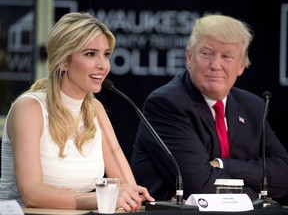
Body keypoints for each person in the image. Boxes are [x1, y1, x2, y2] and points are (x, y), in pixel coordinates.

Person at [0, 12, 154, 211]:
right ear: (64, 60)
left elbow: (128, 189)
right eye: (90, 54)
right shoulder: (29, 108)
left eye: (106, 54)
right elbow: (32, 194)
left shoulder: (95, 109)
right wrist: (100, 198)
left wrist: (127, 196)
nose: (103, 65)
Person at [130, 14, 288, 202]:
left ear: (241, 66)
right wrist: (260, 196)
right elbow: (201, 186)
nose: (215, 65)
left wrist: (222, 165)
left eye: (227, 56)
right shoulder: (166, 103)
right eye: (206, 54)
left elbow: (284, 175)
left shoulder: (254, 106)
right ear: (189, 57)